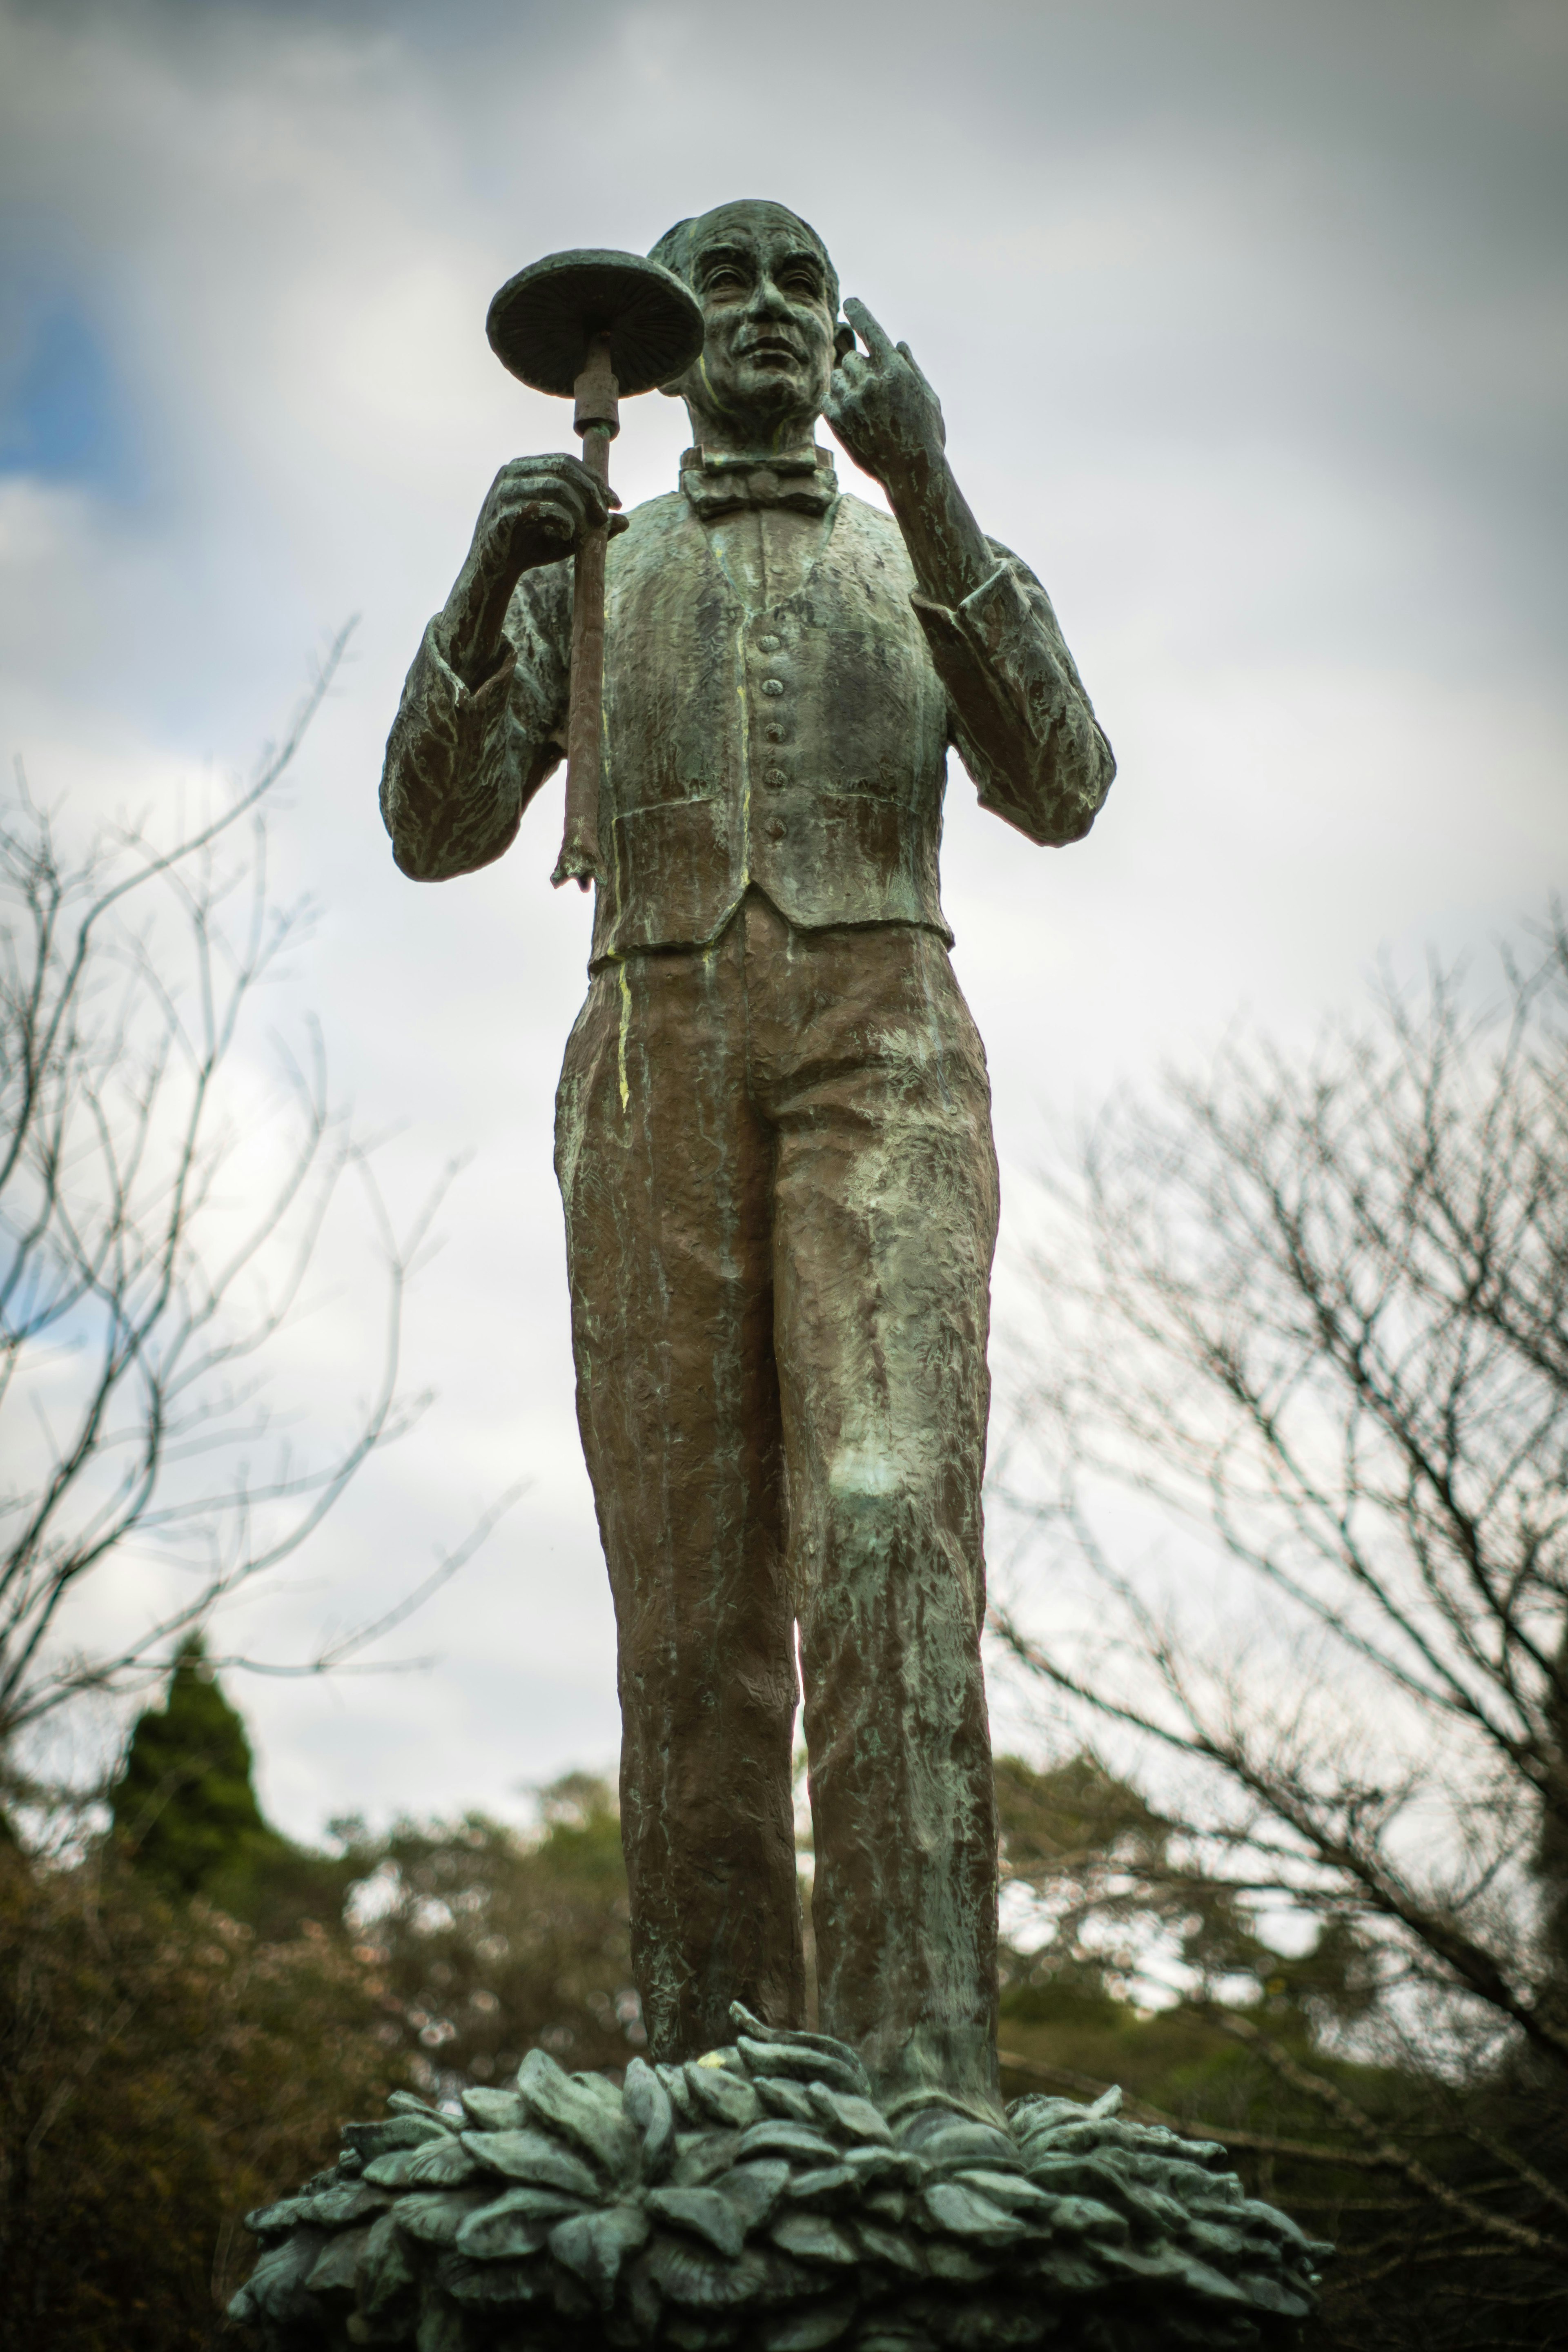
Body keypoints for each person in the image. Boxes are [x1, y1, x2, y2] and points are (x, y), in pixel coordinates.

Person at [381, 198, 1114, 2113]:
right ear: (672, 338)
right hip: (649, 1054)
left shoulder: (907, 552)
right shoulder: (598, 563)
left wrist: (934, 488)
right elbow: (435, 827)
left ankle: (923, 2070)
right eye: (731, 284)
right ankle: (717, 2074)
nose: (774, 311)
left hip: (884, 1043)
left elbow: (1065, 780)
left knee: (883, 1522)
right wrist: (482, 591)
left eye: (806, 279)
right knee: (690, 1602)